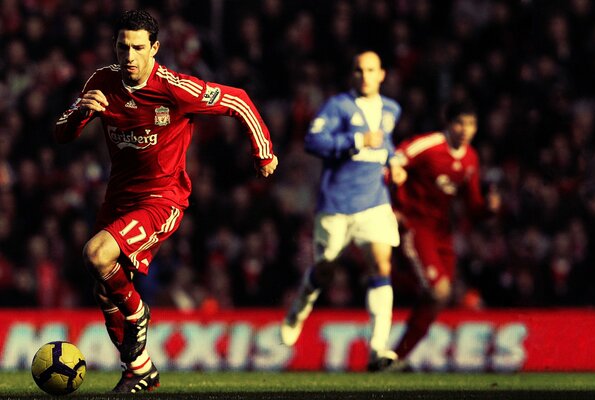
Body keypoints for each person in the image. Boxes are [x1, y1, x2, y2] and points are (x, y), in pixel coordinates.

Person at [54, 10, 277, 393]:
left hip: (163, 199)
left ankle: (138, 312)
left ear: (154, 48)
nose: (130, 56)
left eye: (138, 47)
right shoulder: (102, 81)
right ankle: (139, 368)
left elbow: (238, 100)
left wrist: (263, 152)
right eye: (123, 46)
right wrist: (79, 116)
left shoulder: (174, 88)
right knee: (103, 287)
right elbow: (61, 135)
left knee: (96, 255)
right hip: (118, 198)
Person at [280, 50, 401, 370]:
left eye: (371, 70)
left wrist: (395, 162)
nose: (364, 76)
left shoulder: (391, 109)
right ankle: (299, 309)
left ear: (382, 74)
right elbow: (314, 141)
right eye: (359, 70)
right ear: (353, 74)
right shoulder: (338, 106)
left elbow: (386, 145)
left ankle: (378, 350)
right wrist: (357, 140)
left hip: (374, 201)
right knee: (325, 271)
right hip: (336, 204)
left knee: (381, 265)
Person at [379, 100, 501, 371]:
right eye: (459, 123)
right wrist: (392, 204)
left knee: (439, 297)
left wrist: (488, 209)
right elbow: (391, 163)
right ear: (448, 124)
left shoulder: (470, 158)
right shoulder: (428, 146)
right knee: (438, 290)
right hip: (415, 225)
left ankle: (396, 357)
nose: (465, 130)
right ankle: (392, 347)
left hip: (442, 232)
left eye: (470, 124)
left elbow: (473, 207)